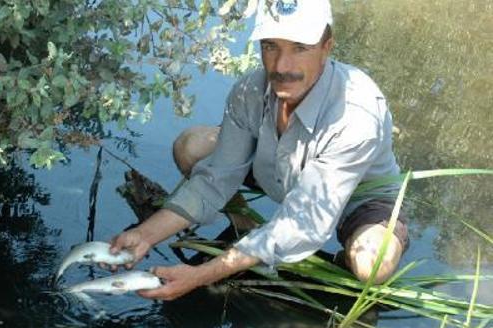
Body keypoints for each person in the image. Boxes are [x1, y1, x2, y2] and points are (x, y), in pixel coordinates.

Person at [109, 0, 409, 301]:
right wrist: (145, 235)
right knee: (192, 146)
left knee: (373, 265)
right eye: (270, 46)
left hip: (354, 197)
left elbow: (304, 220)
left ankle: (340, 259)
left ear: (326, 46)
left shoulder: (356, 114)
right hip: (277, 170)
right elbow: (214, 180)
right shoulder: (250, 90)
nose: (281, 67)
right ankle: (245, 227)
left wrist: (200, 275)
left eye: (299, 48)